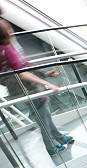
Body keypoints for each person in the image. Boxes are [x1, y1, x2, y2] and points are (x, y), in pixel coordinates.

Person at [0, 20, 74, 156]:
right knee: (43, 117)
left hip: (20, 88)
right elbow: (22, 72)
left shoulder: (4, 49)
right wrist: (47, 83)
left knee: (44, 114)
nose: (12, 32)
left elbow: (24, 65)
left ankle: (59, 137)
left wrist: (45, 74)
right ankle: (51, 148)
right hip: (27, 88)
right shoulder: (7, 48)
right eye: (9, 30)